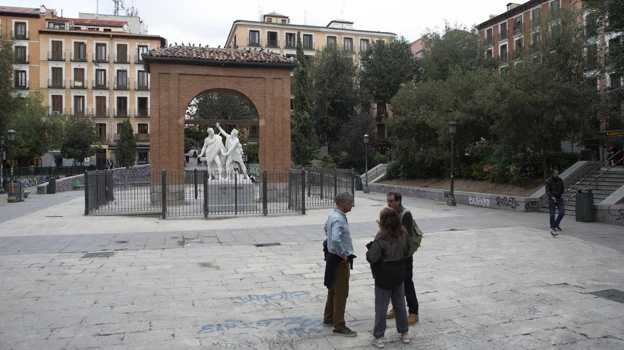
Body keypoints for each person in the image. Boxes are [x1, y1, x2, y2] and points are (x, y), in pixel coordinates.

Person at [366, 207, 414, 348]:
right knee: (399, 304)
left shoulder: (381, 237)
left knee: (381, 306)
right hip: (399, 272)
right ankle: (404, 333)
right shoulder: (403, 234)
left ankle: (378, 336)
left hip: (383, 275)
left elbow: (372, 257)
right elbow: (409, 250)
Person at [323, 192, 357, 337]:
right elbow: (336, 238)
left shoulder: (333, 215)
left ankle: (328, 317)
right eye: (350, 201)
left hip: (332, 257)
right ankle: (339, 325)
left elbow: (326, 229)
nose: (351, 204)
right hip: (339, 259)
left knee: (333, 289)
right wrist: (343, 253)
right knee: (341, 292)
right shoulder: (338, 218)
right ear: (342, 202)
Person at [385, 192, 420, 325]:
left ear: (398, 201)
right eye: (387, 201)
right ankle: (396, 307)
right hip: (394, 255)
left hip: (405, 256)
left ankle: (413, 312)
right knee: (395, 283)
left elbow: (405, 236)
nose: (388, 204)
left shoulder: (406, 214)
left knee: (407, 282)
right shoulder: (389, 213)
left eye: (391, 201)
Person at [545, 168, 565, 236]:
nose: (557, 175)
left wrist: (562, 193)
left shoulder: (560, 180)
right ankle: (552, 226)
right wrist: (551, 196)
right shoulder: (548, 181)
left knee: (562, 212)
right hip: (552, 199)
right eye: (556, 173)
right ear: (553, 174)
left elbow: (562, 187)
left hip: (559, 198)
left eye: (558, 173)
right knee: (552, 213)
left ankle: (556, 224)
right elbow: (547, 190)